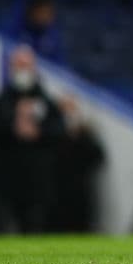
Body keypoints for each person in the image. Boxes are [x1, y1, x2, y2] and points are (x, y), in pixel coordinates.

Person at [0, 45, 65, 234]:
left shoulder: (46, 101)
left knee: (33, 230)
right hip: (3, 181)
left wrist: (38, 132)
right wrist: (12, 125)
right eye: (18, 65)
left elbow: (59, 131)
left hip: (35, 181)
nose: (22, 70)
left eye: (26, 65)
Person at [51, 95, 106, 232]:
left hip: (82, 190)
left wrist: (81, 136)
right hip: (56, 191)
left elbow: (98, 158)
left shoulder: (86, 134)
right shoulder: (51, 133)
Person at [3, 0, 65, 65]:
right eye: (43, 12)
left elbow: (60, 65)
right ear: (33, 12)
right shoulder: (13, 30)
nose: (46, 17)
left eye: (49, 13)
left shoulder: (52, 35)